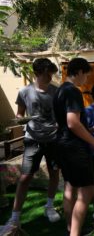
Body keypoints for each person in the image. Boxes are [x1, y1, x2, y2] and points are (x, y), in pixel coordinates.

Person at [0, 58, 61, 235]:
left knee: (54, 173)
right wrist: (22, 120)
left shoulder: (56, 92)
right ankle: (15, 217)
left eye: (51, 72)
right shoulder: (25, 92)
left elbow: (59, 115)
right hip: (32, 140)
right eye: (47, 73)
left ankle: (49, 206)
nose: (50, 76)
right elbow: (19, 115)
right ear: (37, 73)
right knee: (25, 177)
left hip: (53, 139)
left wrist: (59, 124)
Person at [53, 58, 94, 236]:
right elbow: (72, 123)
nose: (86, 80)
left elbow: (66, 123)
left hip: (62, 144)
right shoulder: (73, 91)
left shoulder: (59, 90)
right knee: (86, 191)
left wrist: (89, 129)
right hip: (75, 148)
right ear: (80, 72)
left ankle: (70, 228)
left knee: (70, 187)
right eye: (86, 75)